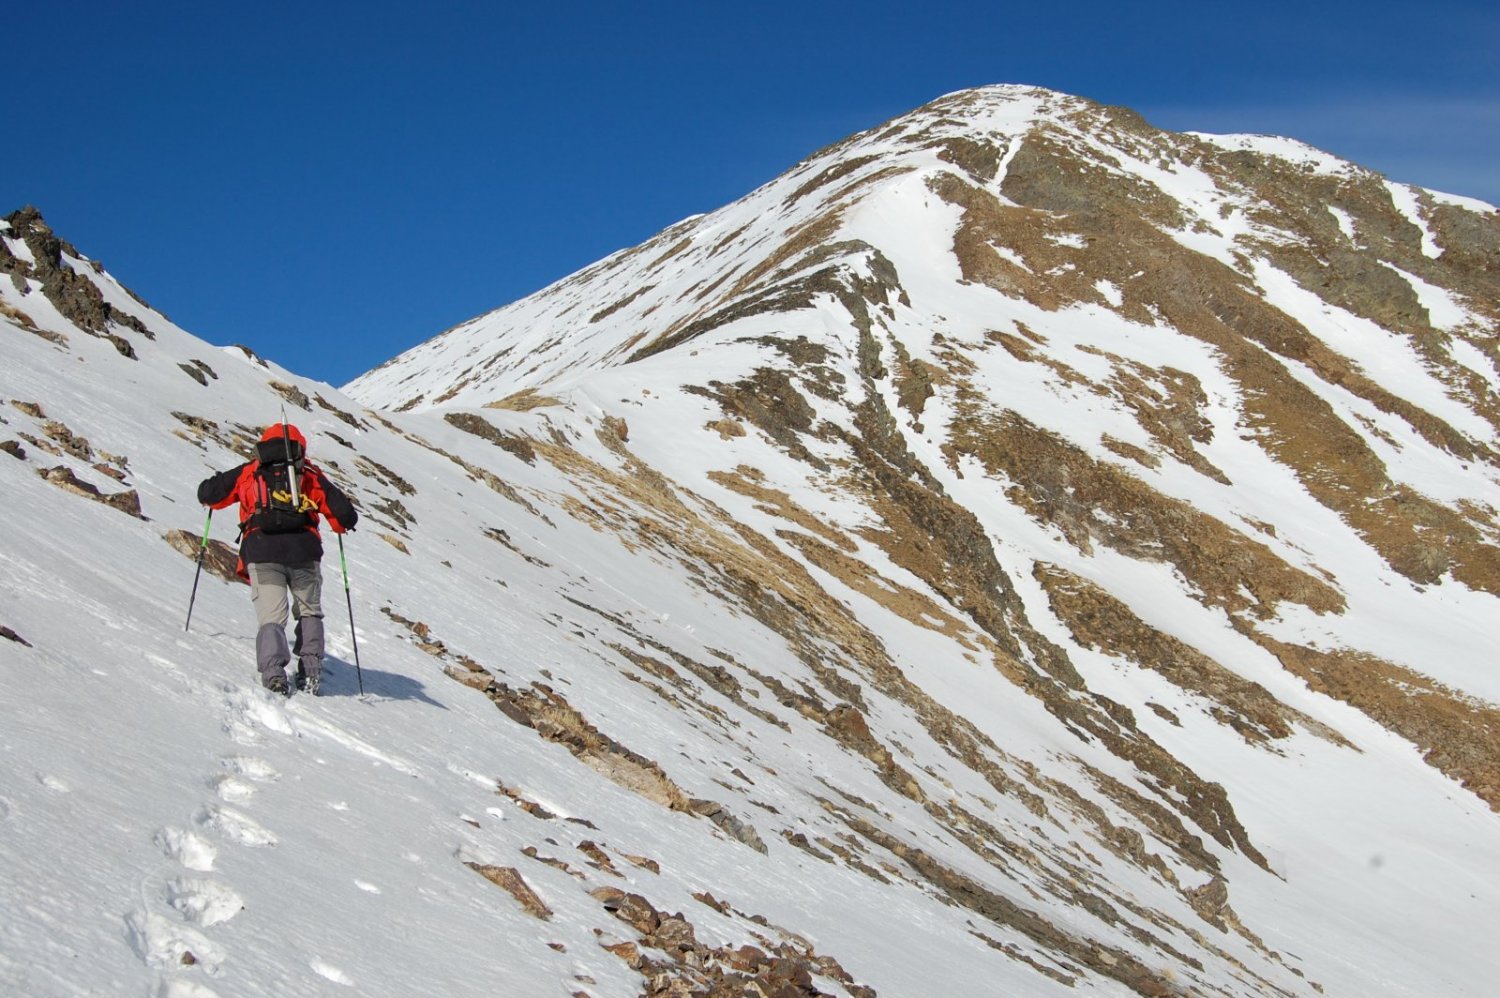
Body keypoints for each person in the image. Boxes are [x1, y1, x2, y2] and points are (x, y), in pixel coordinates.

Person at [197, 423, 358, 695]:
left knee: (271, 616)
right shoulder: (308, 472)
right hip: (304, 553)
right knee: (309, 610)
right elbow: (344, 516)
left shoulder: (251, 471)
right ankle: (310, 671)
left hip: (262, 551)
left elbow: (209, 494)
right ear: (299, 447)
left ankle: (274, 674)